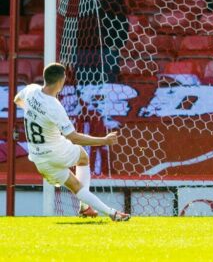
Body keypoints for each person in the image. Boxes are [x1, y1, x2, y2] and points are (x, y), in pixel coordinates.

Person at [14, 63, 131, 221]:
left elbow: (17, 100)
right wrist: (104, 140)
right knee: (83, 157)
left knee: (76, 186)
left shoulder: (31, 90)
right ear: (61, 81)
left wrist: (33, 111)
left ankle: (109, 213)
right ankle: (86, 207)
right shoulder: (55, 107)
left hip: (39, 158)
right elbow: (73, 137)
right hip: (56, 151)